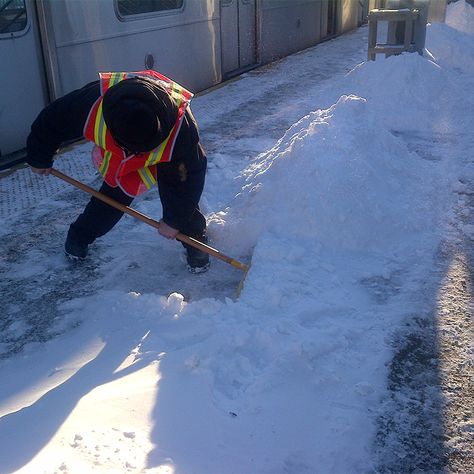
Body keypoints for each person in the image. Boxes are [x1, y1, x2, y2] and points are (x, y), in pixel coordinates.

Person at [27, 70, 209, 273]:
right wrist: (39, 155)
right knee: (115, 192)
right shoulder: (93, 103)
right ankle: (80, 237)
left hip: (169, 156)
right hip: (120, 152)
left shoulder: (182, 131)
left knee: (180, 199)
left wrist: (174, 220)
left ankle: (196, 245)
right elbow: (53, 120)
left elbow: (186, 181)